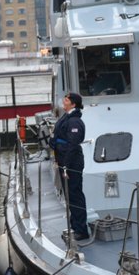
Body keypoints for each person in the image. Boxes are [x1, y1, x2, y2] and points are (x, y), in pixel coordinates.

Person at [52, 92, 88, 240]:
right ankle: (74, 225)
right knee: (69, 195)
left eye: (66, 100)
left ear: (73, 104)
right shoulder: (67, 117)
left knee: (75, 194)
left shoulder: (75, 122)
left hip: (72, 162)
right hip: (64, 159)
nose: (63, 101)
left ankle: (81, 229)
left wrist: (66, 164)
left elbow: (73, 145)